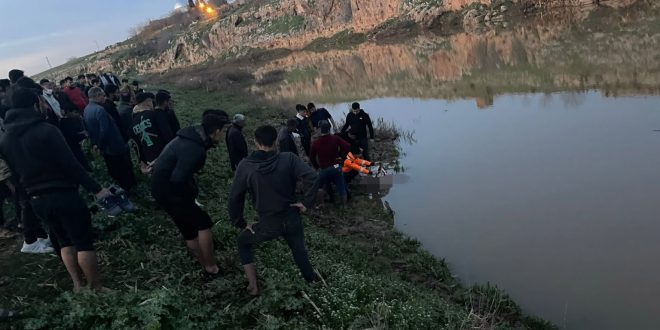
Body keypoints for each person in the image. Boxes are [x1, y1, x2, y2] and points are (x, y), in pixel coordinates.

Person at [0, 88, 113, 290]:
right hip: (63, 194)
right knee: (82, 241)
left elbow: (14, 175)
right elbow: (70, 164)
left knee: (63, 241)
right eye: (41, 102)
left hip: (36, 200)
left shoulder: (5, 139)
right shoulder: (46, 130)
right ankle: (96, 288)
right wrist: (96, 189)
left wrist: (26, 200)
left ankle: (78, 285)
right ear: (35, 104)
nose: (44, 105)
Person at [229, 125, 320, 295]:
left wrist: (240, 222)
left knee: (243, 242)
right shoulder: (288, 159)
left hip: (268, 223)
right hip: (292, 216)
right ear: (276, 141)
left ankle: (253, 287)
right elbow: (313, 177)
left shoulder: (245, 166)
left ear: (256, 142)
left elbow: (235, 198)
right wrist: (306, 203)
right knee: (300, 252)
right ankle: (313, 282)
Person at [151, 110, 229, 276]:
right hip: (171, 190)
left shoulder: (189, 137)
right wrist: (190, 197)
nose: (222, 136)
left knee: (188, 228)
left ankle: (204, 263)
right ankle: (211, 267)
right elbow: (178, 179)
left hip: (160, 188)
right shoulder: (195, 149)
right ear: (216, 131)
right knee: (203, 223)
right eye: (223, 132)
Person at [84, 87, 137, 192]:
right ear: (97, 96)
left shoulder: (86, 110)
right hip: (114, 145)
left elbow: (89, 130)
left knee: (114, 168)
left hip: (105, 148)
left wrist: (97, 145)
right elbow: (105, 130)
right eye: (103, 95)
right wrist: (100, 145)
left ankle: (123, 187)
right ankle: (130, 188)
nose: (104, 98)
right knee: (124, 168)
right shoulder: (100, 110)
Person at [310, 120, 350, 205]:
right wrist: (342, 157)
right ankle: (344, 206)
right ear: (329, 129)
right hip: (336, 166)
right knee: (341, 186)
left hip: (324, 169)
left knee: (320, 186)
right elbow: (347, 146)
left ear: (320, 130)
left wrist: (317, 167)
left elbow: (312, 158)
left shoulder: (315, 143)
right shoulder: (335, 138)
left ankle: (323, 203)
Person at [131, 92, 167, 169]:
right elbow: (167, 134)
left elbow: (136, 145)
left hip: (149, 162)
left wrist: (143, 162)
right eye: (151, 101)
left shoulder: (133, 122)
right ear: (148, 101)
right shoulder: (155, 115)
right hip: (165, 155)